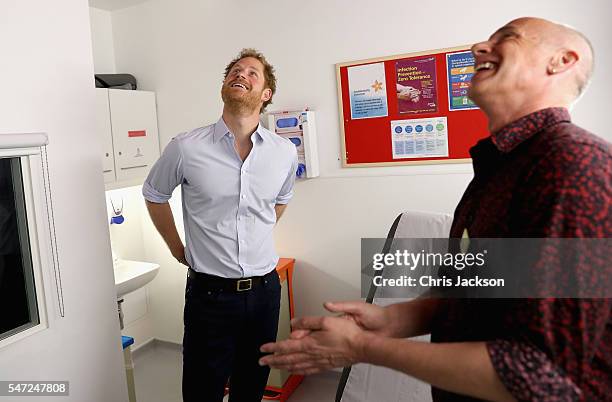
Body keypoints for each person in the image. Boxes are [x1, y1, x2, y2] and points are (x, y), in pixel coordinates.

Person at [260, 17, 611, 401]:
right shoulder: (499, 169)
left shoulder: (575, 165)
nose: (479, 47)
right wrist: (389, 320)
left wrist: (362, 348)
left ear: (562, 61)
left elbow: (538, 374)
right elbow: (481, 290)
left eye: (506, 38)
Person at [143, 48, 298, 402]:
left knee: (251, 388)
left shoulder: (283, 152)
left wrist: (255, 233)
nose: (240, 74)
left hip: (264, 292)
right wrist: (176, 248)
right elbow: (154, 193)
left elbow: (282, 200)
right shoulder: (186, 147)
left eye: (252, 72)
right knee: (202, 389)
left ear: (266, 94)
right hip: (209, 296)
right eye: (234, 70)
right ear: (225, 85)